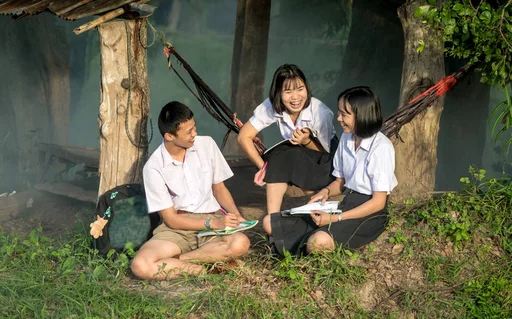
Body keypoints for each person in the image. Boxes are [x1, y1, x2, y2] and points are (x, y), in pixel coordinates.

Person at [270, 86, 397, 254]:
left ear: (362, 115)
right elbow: (340, 182)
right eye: (339, 112)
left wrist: (335, 218)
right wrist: (325, 192)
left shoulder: (381, 147)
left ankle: (311, 242)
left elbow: (378, 202)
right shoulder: (347, 137)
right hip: (346, 204)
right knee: (269, 222)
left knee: (317, 242)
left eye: (345, 114)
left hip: (370, 214)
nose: (339, 118)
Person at [131, 101, 251, 280]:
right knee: (140, 265)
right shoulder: (153, 167)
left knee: (241, 243)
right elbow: (171, 219)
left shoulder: (207, 144)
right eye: (188, 132)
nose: (194, 134)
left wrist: (236, 216)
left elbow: (219, 189)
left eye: (194, 127)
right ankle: (206, 270)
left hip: (213, 219)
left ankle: (181, 260)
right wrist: (210, 223)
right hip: (178, 227)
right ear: (169, 136)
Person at [237, 64, 337, 235]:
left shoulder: (320, 112)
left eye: (300, 89)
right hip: (296, 156)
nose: (296, 97)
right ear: (278, 93)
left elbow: (326, 152)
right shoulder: (271, 106)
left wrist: (307, 141)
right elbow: (243, 137)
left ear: (307, 88)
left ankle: (320, 216)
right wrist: (263, 169)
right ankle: (273, 220)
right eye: (288, 91)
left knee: (284, 155)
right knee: (277, 157)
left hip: (326, 161)